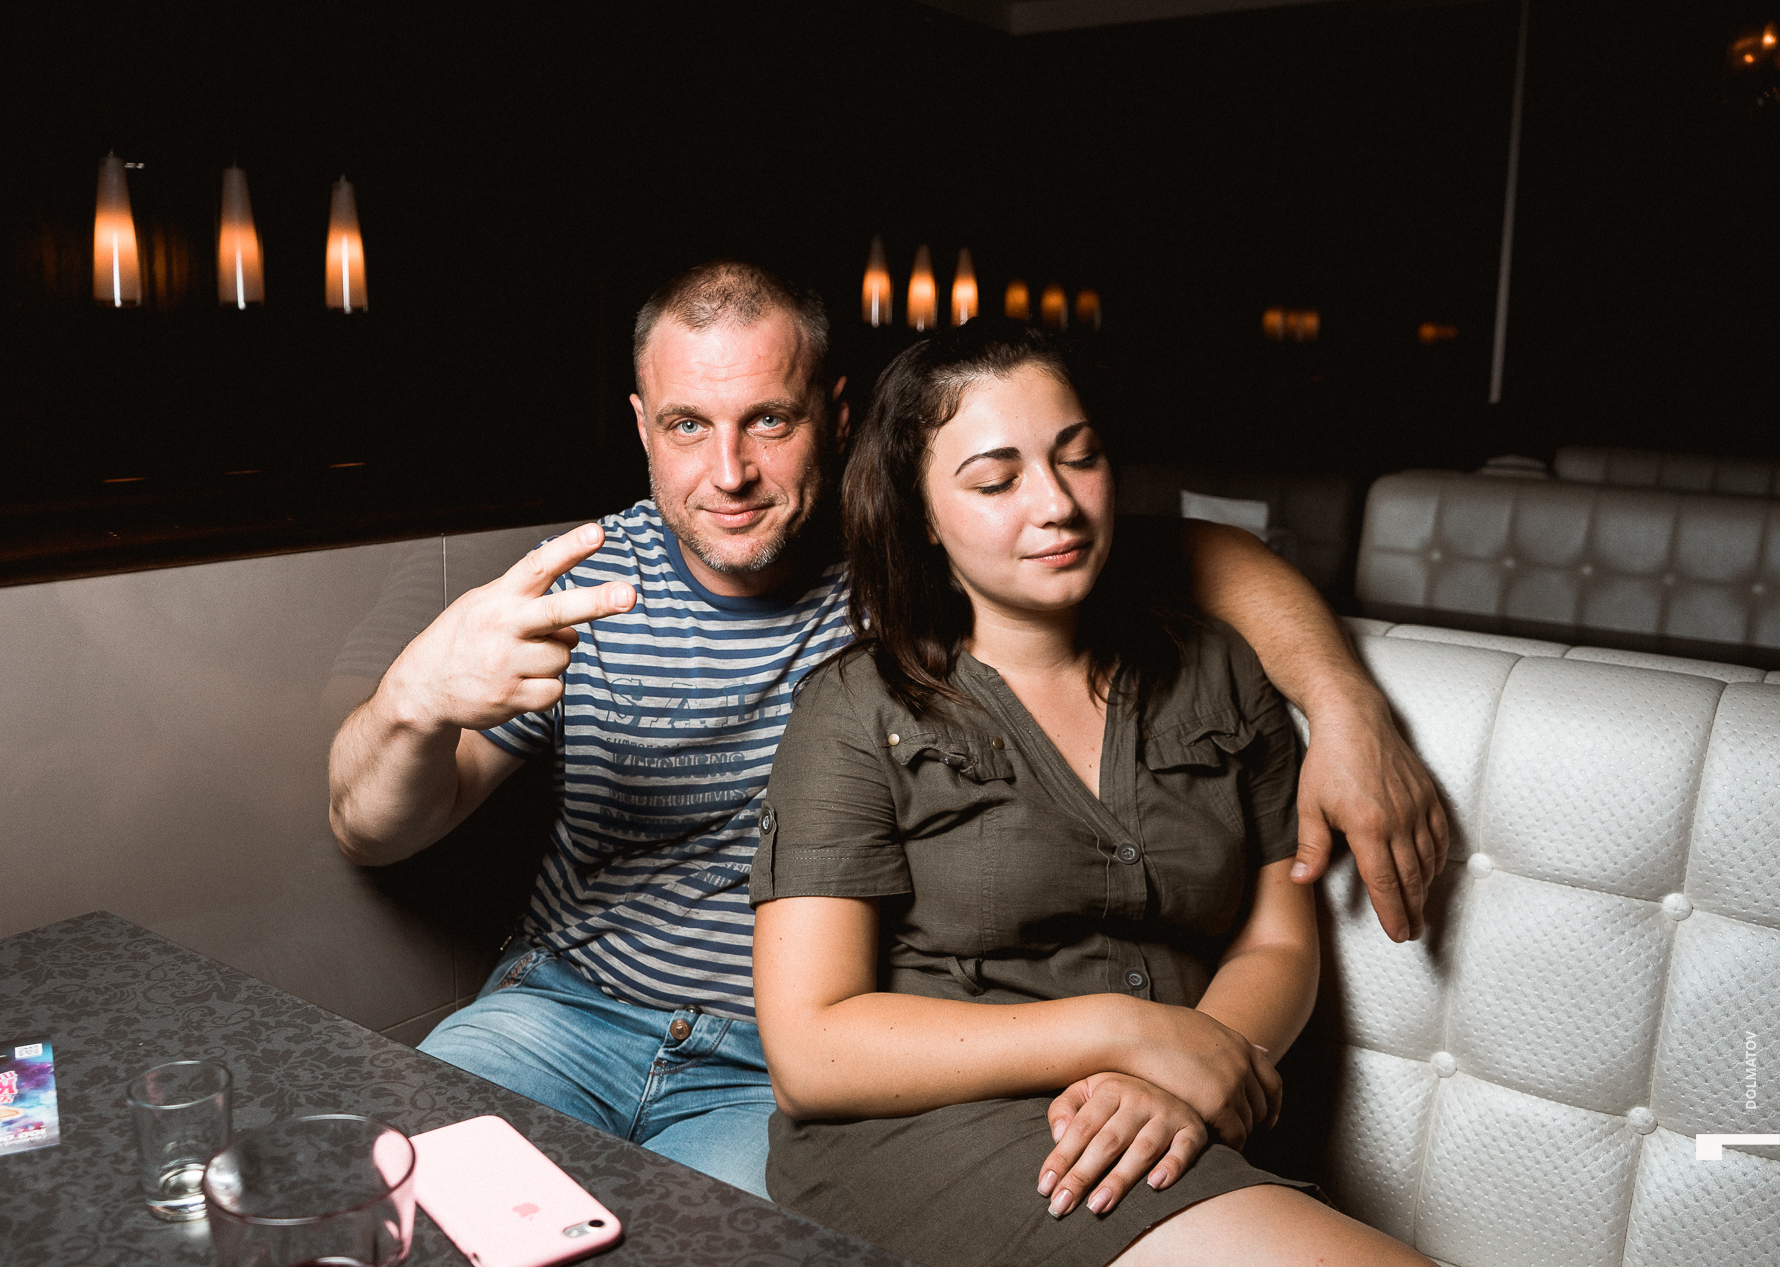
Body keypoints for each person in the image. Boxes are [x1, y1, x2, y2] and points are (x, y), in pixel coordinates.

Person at [327, 261, 1448, 1199]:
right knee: (388, 1194)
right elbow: (370, 829)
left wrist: (1348, 708)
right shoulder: (585, 581)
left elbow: (1208, 557)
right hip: (559, 1012)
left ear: (837, 414)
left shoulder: (919, 563)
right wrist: (411, 705)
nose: (729, 472)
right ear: (641, 426)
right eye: (687, 425)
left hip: (778, 1070)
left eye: (769, 420)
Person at [749, 320, 1447, 1267]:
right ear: (922, 515)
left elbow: (1277, 941)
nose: (1057, 505)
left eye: (1078, 458)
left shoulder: (1220, 668)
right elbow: (812, 1049)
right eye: (996, 482)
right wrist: (1129, 1033)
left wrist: (1189, 1072)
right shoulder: (857, 708)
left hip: (1162, 1118)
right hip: (927, 1132)